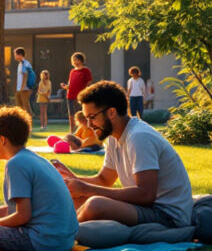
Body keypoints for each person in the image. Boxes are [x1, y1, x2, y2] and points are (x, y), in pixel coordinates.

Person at [52, 81, 193, 227]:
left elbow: (146, 195)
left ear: (112, 112)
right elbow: (104, 180)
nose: (89, 124)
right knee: (76, 199)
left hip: (167, 215)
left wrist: (87, 189)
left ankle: (59, 233)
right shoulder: (114, 137)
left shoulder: (139, 137)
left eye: (92, 117)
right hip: (146, 208)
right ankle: (56, 227)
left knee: (96, 205)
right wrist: (72, 180)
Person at [0, 107, 78, 251]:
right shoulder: (33, 158)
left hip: (43, 240)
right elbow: (14, 210)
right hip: (63, 239)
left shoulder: (16, 164)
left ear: (2, 140)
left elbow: (22, 216)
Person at [61, 52, 92, 132]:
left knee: (81, 114)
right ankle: (72, 131)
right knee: (71, 114)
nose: (74, 62)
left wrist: (84, 93)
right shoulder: (72, 71)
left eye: (76, 60)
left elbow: (89, 83)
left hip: (80, 97)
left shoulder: (86, 70)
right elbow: (69, 84)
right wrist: (65, 87)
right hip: (70, 96)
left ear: (81, 60)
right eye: (73, 60)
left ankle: (82, 131)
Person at [14, 47, 34, 115]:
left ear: (20, 55)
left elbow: (25, 75)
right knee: (19, 107)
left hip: (24, 89)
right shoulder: (20, 64)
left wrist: (23, 87)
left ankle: (29, 122)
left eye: (15, 54)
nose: (15, 56)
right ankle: (21, 122)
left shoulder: (25, 63)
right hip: (19, 89)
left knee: (26, 106)